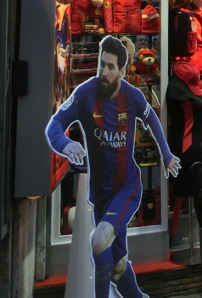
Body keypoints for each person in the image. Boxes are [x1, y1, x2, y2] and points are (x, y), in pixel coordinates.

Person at [46, 35, 181, 298]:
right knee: (118, 267)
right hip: (100, 194)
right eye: (102, 64)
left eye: (110, 67)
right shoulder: (85, 94)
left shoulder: (132, 96)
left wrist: (166, 155)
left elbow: (151, 119)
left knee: (98, 241)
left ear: (122, 71)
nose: (104, 72)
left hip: (127, 187)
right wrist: (65, 143)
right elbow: (55, 124)